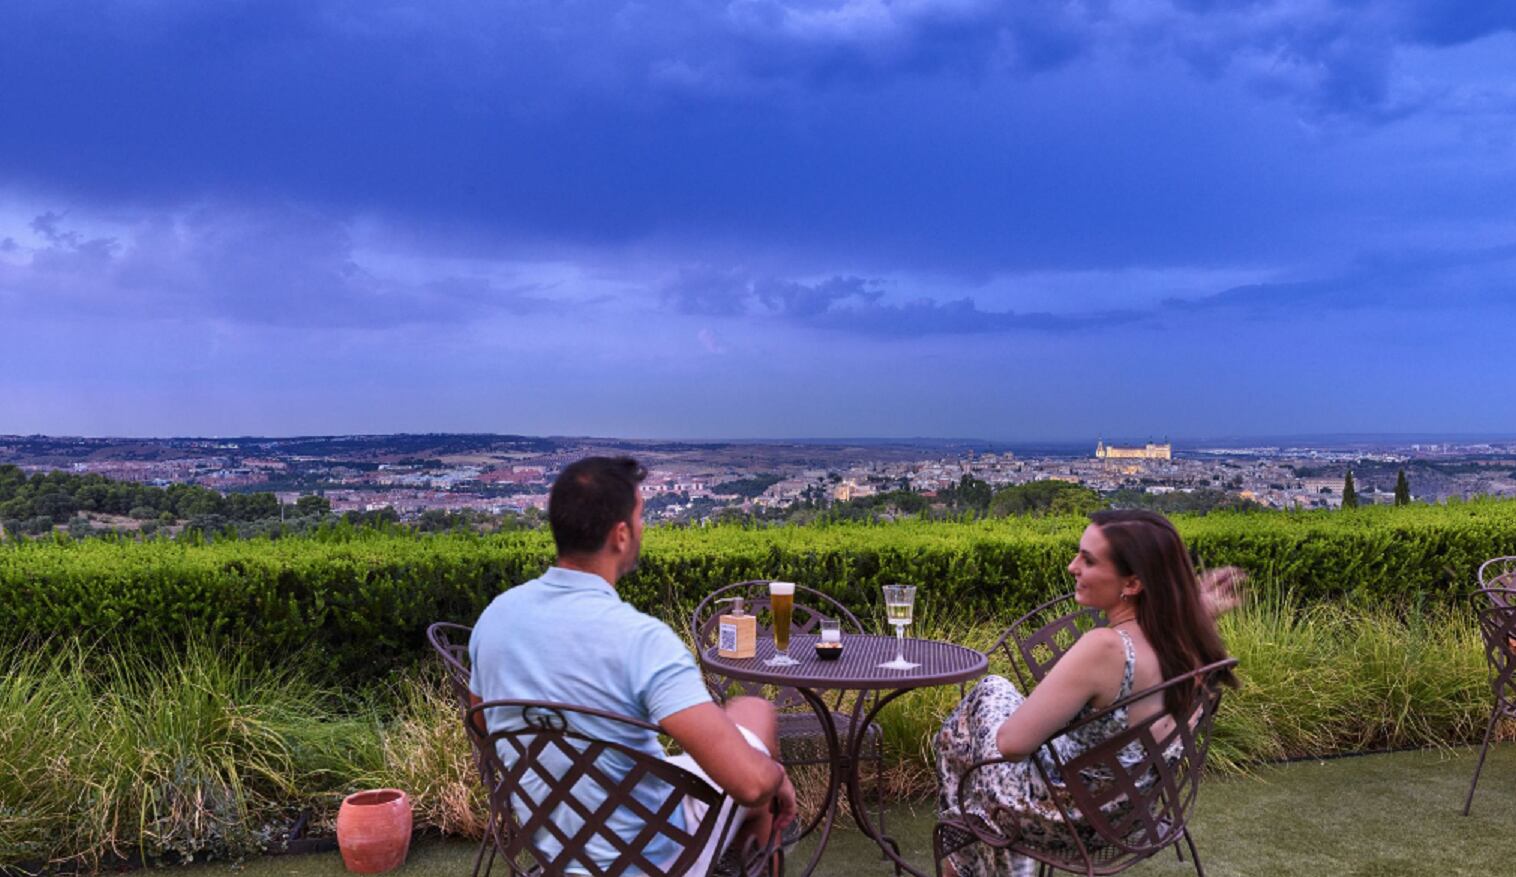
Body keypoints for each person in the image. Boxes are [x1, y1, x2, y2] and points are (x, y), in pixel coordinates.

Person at [470, 456, 796, 874]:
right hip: (653, 855)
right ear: (620, 535)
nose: (643, 529)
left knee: (751, 710)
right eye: (641, 518)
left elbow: (486, 727)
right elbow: (749, 783)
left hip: (554, 845)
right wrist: (778, 778)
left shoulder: (496, 619)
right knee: (759, 752)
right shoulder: (642, 641)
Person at [935, 509, 1242, 877]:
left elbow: (1011, 745)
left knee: (988, 693)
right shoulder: (1187, 645)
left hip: (1064, 816)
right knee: (982, 726)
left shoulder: (1107, 648)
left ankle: (967, 859)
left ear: (1132, 584)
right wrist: (1199, 607)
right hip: (1130, 813)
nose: (1072, 566)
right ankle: (973, 857)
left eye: (1088, 559)